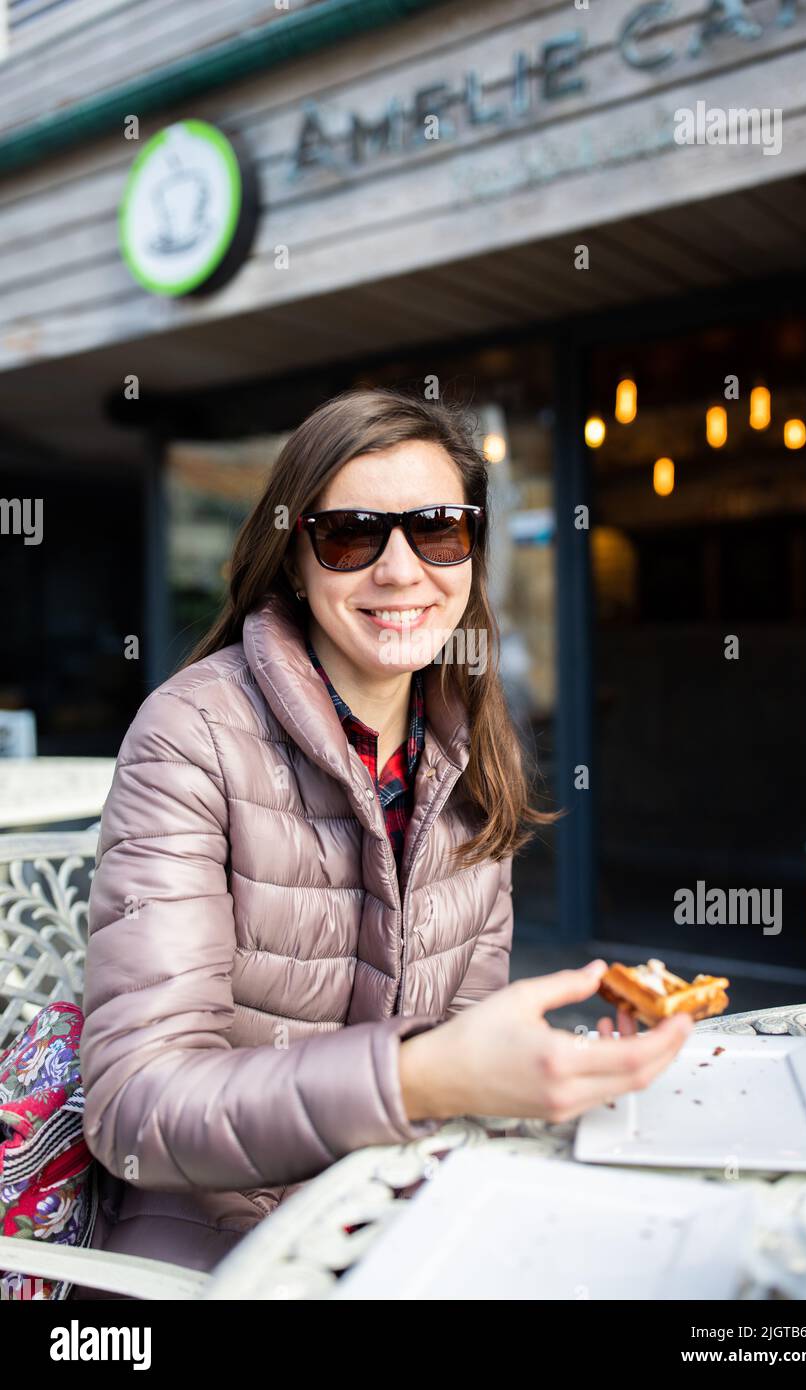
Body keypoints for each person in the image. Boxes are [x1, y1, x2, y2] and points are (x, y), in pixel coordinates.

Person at [73, 387, 691, 1298]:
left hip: (404, 1216)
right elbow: (135, 1111)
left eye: (438, 529)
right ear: (293, 560)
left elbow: (456, 1043)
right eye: (353, 534)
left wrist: (541, 1068)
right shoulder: (189, 734)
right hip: (210, 1248)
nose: (402, 571)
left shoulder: (475, 745)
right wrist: (421, 1076)